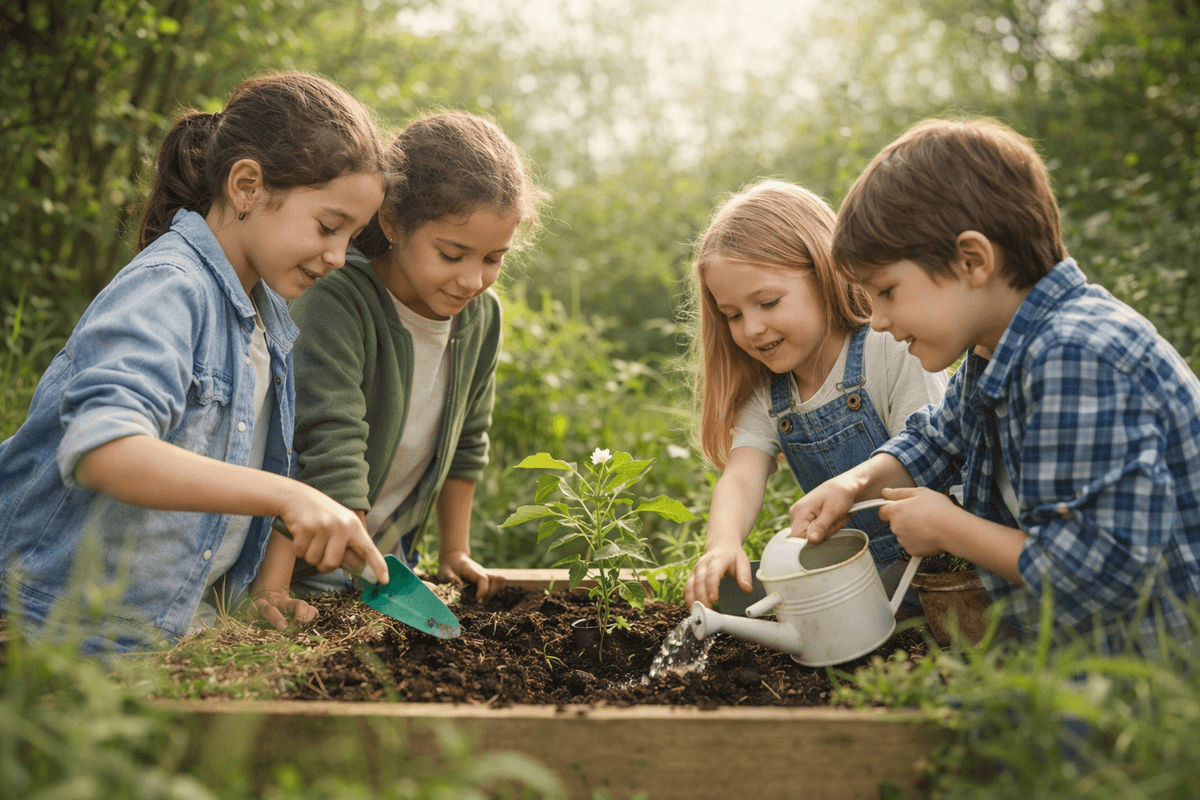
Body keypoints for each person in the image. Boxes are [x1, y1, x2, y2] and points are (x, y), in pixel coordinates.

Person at [0, 72, 394, 656]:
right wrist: (287, 495)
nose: (338, 256)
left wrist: (250, 593)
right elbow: (103, 451)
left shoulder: (263, 318)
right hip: (46, 629)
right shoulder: (170, 288)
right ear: (246, 186)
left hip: (149, 640)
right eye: (328, 226)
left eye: (352, 237)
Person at [790, 118, 1200, 655]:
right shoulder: (994, 349)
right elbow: (937, 441)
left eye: (887, 291)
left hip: (1162, 680)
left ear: (973, 261)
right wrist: (853, 484)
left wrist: (949, 528)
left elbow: (1102, 571)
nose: (879, 321)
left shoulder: (1075, 355)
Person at [250, 111, 542, 615]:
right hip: (300, 565)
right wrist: (271, 590)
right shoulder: (338, 300)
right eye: (452, 255)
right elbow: (327, 443)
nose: (473, 280)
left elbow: (469, 438)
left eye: (493, 259)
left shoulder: (480, 319)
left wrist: (454, 552)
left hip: (380, 567)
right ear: (392, 223)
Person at [682, 180, 948, 609]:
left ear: (825, 275)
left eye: (767, 303)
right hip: (861, 584)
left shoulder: (891, 346)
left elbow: (931, 452)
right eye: (732, 315)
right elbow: (741, 476)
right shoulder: (770, 390)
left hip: (944, 571)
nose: (751, 328)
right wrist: (722, 543)